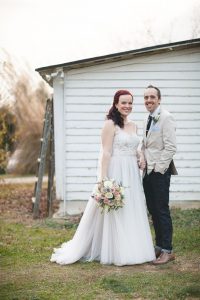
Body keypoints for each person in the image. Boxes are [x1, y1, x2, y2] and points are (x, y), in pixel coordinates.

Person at [50, 89, 155, 266]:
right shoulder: (109, 124)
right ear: (116, 104)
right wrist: (104, 180)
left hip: (131, 172)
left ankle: (134, 247)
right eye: (123, 102)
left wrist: (140, 157)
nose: (127, 106)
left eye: (130, 103)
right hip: (116, 170)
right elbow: (106, 152)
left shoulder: (134, 125)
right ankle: (114, 250)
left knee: (131, 207)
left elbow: (135, 148)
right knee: (115, 210)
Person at [141, 85, 178, 265]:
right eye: (146, 97)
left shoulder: (166, 117)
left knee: (161, 210)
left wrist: (158, 169)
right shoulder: (147, 118)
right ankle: (159, 245)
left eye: (152, 97)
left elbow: (171, 147)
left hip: (160, 172)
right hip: (147, 172)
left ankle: (167, 250)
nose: (149, 100)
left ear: (159, 99)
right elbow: (146, 144)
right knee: (153, 210)